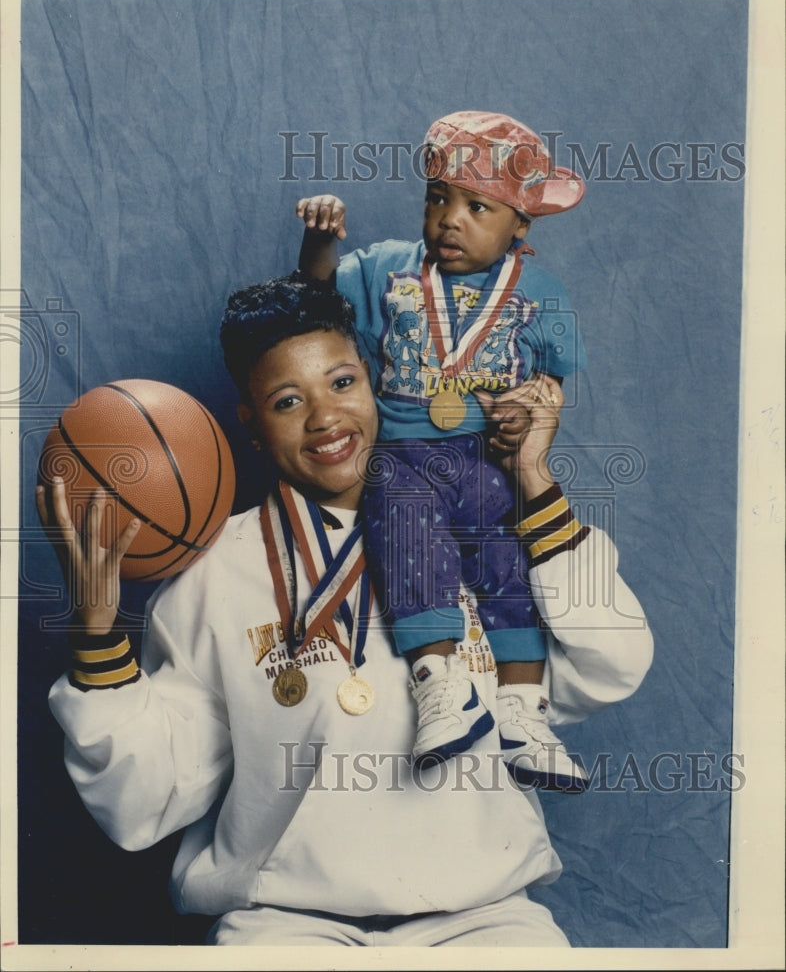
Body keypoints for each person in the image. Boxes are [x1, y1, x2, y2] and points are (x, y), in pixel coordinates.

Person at [39, 274, 653, 947]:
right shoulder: (209, 582)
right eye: (286, 400)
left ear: (376, 379)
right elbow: (144, 802)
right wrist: (97, 644)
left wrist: (533, 479)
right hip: (285, 926)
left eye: (342, 383)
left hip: (487, 918)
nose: (325, 418)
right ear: (248, 422)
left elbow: (612, 664)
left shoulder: (486, 521)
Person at [296, 110, 590, 790]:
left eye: (476, 207)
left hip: (487, 459)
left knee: (508, 567)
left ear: (520, 224)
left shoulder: (540, 294)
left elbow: (548, 386)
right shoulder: (392, 269)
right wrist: (318, 240)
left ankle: (524, 715)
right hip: (401, 456)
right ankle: (439, 687)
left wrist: (527, 421)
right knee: (407, 547)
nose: (449, 220)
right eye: (438, 200)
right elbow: (316, 290)